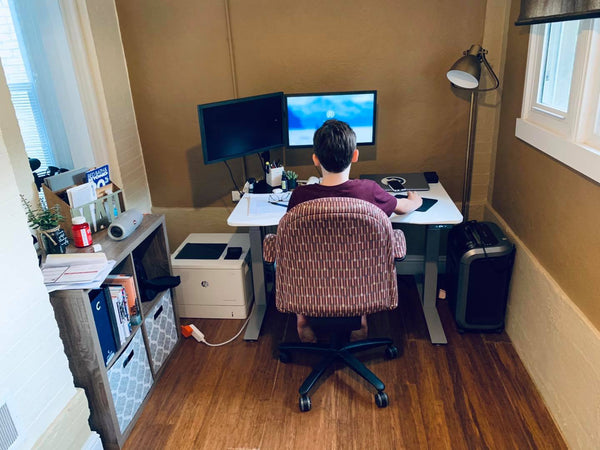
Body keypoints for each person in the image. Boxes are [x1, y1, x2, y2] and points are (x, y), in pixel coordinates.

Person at [287, 119, 422, 343]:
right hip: (357, 275)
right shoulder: (369, 190)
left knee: (302, 257)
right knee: (358, 258)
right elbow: (403, 207)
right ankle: (360, 319)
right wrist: (414, 200)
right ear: (355, 155)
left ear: (315, 159)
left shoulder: (300, 196)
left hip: (313, 278)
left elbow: (292, 239)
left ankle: (303, 320)